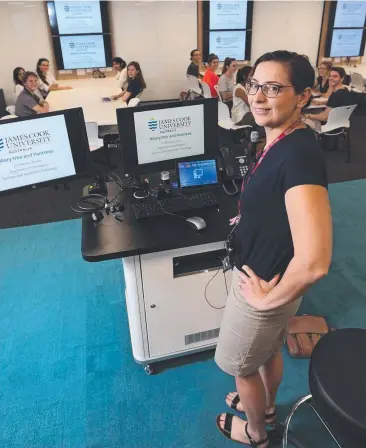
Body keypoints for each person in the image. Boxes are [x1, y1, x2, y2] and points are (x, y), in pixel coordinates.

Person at [215, 50, 332, 447]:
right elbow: (277, 199)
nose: (258, 97)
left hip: (262, 288)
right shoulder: (282, 139)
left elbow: (315, 262)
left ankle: (256, 432)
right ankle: (263, 407)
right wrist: (249, 217)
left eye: (273, 88)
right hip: (270, 277)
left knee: (241, 366)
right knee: (266, 352)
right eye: (255, 85)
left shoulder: (299, 155)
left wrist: (266, 302)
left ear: (302, 95)